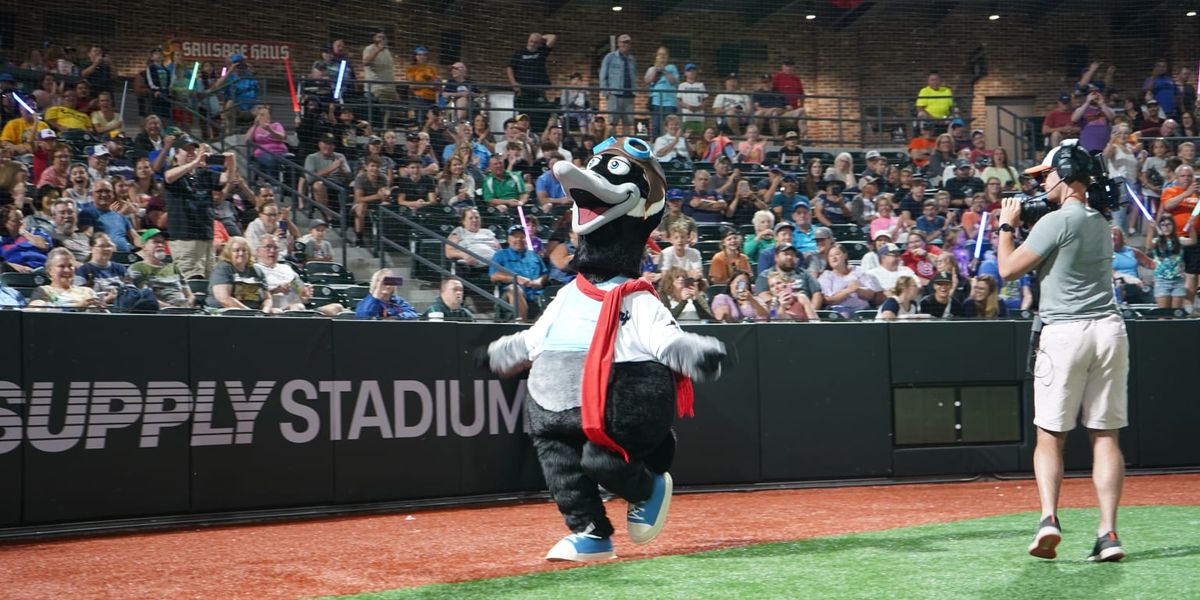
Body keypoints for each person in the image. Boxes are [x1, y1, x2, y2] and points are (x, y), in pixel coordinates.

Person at [998, 141, 1129, 563]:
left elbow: (1006, 270)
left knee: (1050, 435)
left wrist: (1005, 226)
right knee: (1105, 435)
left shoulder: (1056, 221)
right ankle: (1108, 533)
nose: (1042, 183)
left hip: (1066, 332)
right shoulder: (1099, 222)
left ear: (1065, 174)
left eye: (1047, 175)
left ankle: (1049, 519)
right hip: (1109, 331)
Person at [490, 225, 547, 321]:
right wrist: (516, 279)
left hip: (535, 294)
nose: (519, 239)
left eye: (522, 236)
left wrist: (539, 281)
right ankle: (521, 325)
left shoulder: (533, 255)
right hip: (511, 295)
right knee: (514, 289)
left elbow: (545, 273)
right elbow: (494, 275)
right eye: (515, 237)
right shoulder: (500, 254)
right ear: (508, 239)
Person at [129, 229, 194, 308]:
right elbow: (145, 297)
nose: (160, 245)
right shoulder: (137, 268)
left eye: (162, 242)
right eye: (155, 242)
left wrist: (190, 301)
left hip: (183, 309)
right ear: (144, 246)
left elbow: (189, 294)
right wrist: (171, 308)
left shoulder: (173, 267)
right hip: (158, 312)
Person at [507, 33, 557, 132]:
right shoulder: (519, 53)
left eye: (535, 42)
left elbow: (553, 37)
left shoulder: (541, 51)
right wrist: (514, 83)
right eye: (531, 41)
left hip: (538, 90)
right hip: (523, 91)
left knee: (540, 117)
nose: (533, 44)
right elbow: (509, 68)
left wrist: (540, 38)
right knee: (523, 117)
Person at [1146, 215, 1196, 309]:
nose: (1166, 227)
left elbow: (1193, 241)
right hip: (1162, 280)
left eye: (1169, 224)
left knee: (1176, 313)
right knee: (1163, 313)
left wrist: (1191, 226)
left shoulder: (1179, 240)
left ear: (1173, 225)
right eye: (1163, 225)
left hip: (1178, 280)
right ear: (1160, 227)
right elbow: (1149, 245)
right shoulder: (1157, 241)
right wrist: (1151, 230)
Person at [818, 243, 879, 318]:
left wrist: (858, 290)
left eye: (837, 254)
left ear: (845, 255)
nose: (834, 257)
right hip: (839, 311)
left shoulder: (858, 271)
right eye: (830, 256)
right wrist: (849, 290)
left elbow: (871, 295)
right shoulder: (826, 276)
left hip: (862, 309)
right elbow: (828, 299)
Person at [28, 248, 101, 309]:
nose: (67, 270)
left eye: (70, 266)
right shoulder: (44, 291)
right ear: (49, 270)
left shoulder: (88, 291)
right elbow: (33, 311)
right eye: (61, 266)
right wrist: (76, 307)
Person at [598, 34, 637, 133]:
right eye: (623, 42)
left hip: (629, 95)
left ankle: (624, 147)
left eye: (627, 43)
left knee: (628, 123)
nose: (625, 45)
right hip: (614, 94)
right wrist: (606, 93)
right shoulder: (610, 57)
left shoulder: (632, 59)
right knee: (612, 123)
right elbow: (603, 75)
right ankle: (612, 146)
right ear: (618, 44)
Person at [1, 205, 52, 271]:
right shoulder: (2, 242)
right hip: (16, 274)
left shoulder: (34, 232)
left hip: (43, 269)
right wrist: (19, 268)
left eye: (21, 218)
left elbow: (44, 245)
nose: (21, 222)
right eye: (15, 220)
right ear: (5, 223)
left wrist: (24, 233)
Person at [355, 268, 419, 320]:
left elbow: (413, 314)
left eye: (390, 282)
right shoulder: (366, 302)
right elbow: (364, 317)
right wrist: (377, 295)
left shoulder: (398, 301)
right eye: (384, 282)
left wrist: (397, 317)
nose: (388, 286)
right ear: (376, 283)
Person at [644, 46, 680, 138]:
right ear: (656, 57)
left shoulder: (672, 68)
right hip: (656, 102)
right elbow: (647, 81)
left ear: (667, 57)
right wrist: (656, 70)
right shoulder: (652, 69)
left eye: (664, 54)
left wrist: (664, 70)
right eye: (660, 54)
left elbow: (674, 81)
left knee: (670, 126)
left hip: (669, 103)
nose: (662, 56)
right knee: (656, 127)